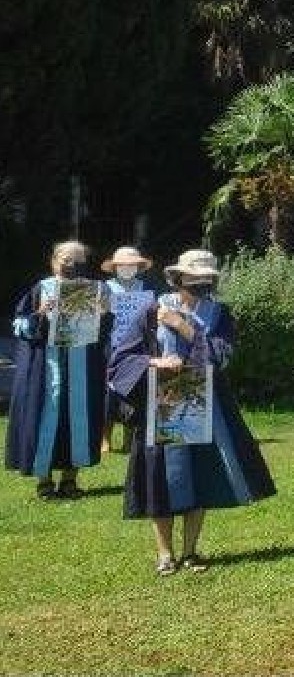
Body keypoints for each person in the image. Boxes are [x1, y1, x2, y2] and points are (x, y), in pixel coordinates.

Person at [107, 249, 275, 575]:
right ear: (178, 279)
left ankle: (191, 552)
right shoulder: (152, 309)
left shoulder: (219, 314)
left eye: (206, 280)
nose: (200, 285)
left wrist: (182, 327)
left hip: (204, 401)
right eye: (194, 279)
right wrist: (154, 361)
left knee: (195, 476)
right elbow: (122, 360)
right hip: (164, 399)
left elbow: (219, 358)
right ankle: (164, 554)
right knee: (161, 478)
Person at [7, 241, 108, 498]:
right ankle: (44, 480)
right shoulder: (41, 288)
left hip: (82, 367)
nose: (71, 265)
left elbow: (108, 331)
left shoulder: (97, 290)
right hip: (45, 368)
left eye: (78, 260)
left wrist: (104, 315)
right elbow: (19, 326)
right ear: (54, 261)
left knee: (78, 419)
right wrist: (39, 314)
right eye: (66, 259)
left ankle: (70, 480)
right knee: (45, 417)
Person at [101, 246, 157, 454]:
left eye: (132, 265)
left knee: (133, 389)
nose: (127, 268)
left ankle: (128, 439)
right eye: (123, 265)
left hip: (137, 347)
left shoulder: (148, 289)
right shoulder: (104, 288)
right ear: (115, 267)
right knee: (107, 392)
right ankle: (104, 437)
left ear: (139, 267)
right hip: (109, 346)